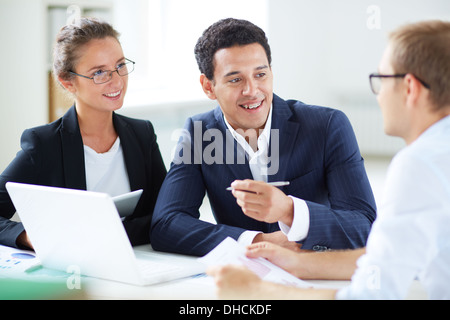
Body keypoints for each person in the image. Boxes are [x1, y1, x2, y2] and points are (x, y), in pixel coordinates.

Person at [208, 20, 450, 300]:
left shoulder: (421, 163)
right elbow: (398, 252)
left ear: (410, 87)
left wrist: (260, 290)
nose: (379, 94)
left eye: (381, 79)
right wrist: (301, 263)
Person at [150, 18, 376, 257]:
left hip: (313, 273)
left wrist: (290, 211)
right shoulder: (199, 132)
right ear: (208, 86)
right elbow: (166, 224)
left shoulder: (327, 126)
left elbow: (366, 226)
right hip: (241, 279)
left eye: (260, 74)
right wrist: (257, 241)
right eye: (235, 79)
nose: (252, 91)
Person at [0, 18, 166, 250]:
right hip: (75, 273)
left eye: (120, 65)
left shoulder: (142, 134)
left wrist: (100, 235)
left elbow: (167, 213)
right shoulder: (44, 144)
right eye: (99, 72)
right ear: (68, 83)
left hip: (140, 263)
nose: (116, 81)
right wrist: (29, 237)